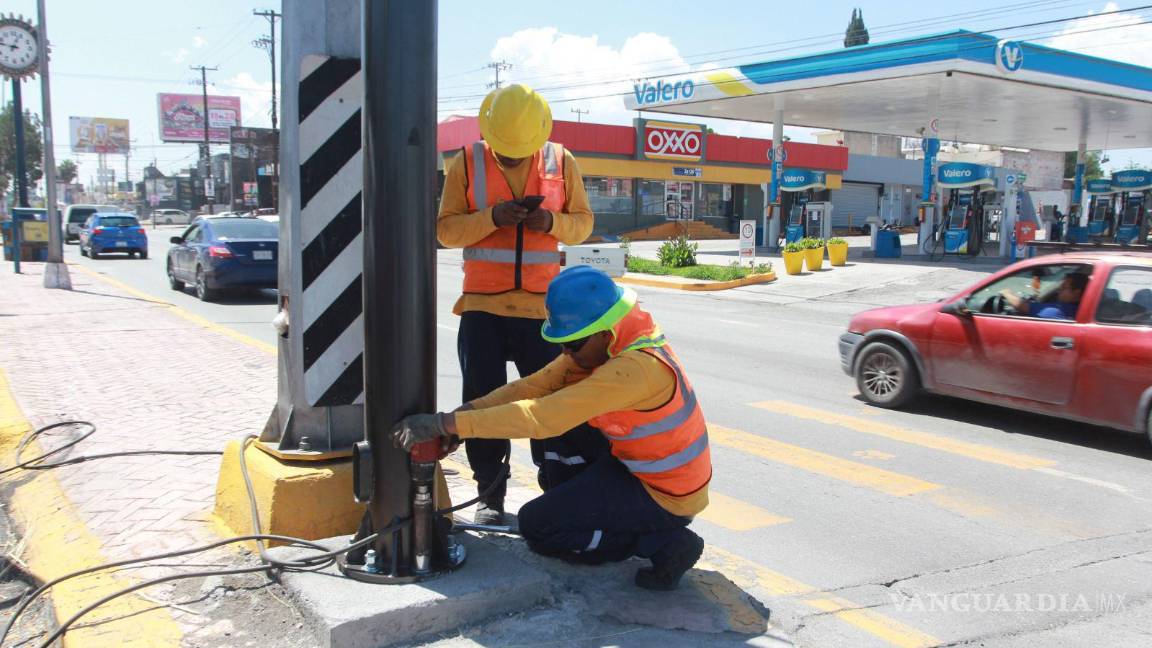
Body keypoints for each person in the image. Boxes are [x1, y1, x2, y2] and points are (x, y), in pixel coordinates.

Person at [392, 267, 711, 591]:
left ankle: (665, 543)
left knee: (539, 527)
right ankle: (589, 510)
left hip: (666, 495)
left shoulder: (635, 369)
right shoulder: (611, 343)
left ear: (605, 333)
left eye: (573, 343)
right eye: (563, 344)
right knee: (560, 437)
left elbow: (542, 417)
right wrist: (459, 419)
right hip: (634, 468)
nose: (566, 353)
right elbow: (530, 388)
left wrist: (444, 424)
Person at [436, 84, 595, 525]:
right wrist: (492, 218)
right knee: (484, 406)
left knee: (550, 405)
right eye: (504, 153)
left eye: (517, 152)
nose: (510, 159)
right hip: (482, 308)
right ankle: (490, 495)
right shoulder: (466, 162)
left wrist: (550, 222)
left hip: (543, 312)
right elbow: (447, 231)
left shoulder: (561, 160)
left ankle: (559, 492)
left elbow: (582, 224)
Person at [1001, 272, 1088, 319]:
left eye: (1063, 288)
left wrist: (1006, 293)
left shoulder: (1059, 311)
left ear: (1077, 292)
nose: (1059, 290)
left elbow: (1022, 306)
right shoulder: (1080, 309)